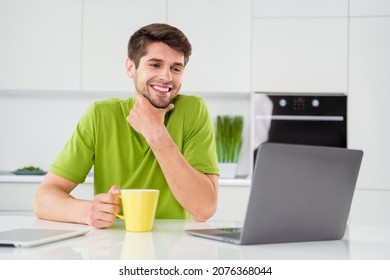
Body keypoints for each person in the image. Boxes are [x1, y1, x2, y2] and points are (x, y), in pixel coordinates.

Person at [33, 23, 220, 229]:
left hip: (175, 248)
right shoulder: (101, 115)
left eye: (176, 68)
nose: (167, 77)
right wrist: (88, 212)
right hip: (110, 246)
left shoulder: (192, 111)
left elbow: (204, 209)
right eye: (155, 65)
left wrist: (156, 133)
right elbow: (44, 199)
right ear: (131, 67)